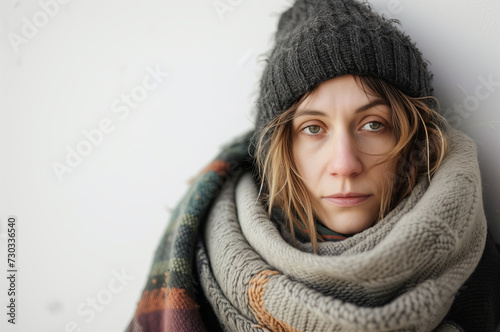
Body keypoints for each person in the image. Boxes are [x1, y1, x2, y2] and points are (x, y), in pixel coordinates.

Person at [126, 0, 500, 331]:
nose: (345, 164)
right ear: (280, 150)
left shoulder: (484, 274)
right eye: (313, 128)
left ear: (415, 140)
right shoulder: (203, 263)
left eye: (373, 124)